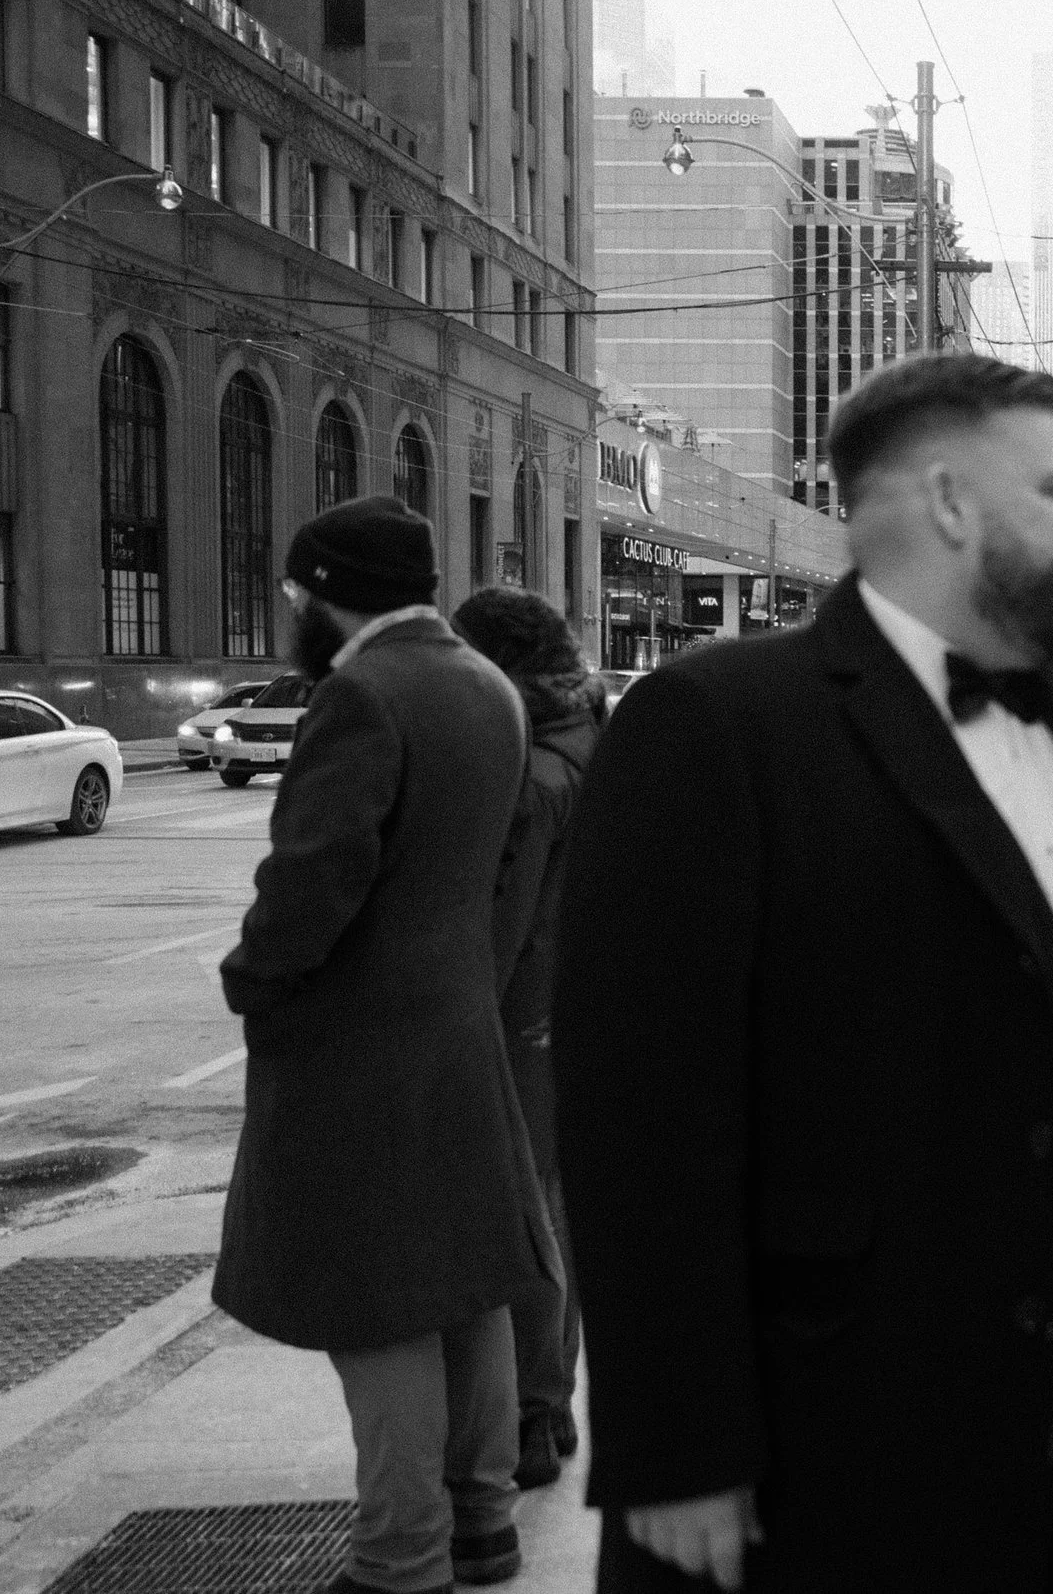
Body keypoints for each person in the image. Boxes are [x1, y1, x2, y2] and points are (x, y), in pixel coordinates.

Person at [551, 353, 1053, 1594]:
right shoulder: (711, 725)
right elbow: (638, 1116)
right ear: (950, 501)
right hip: (824, 1446)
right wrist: (676, 1442)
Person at [215, 496, 554, 1594]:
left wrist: (254, 978)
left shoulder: (363, 692)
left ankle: (398, 1555)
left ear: (327, 591)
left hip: (361, 1052)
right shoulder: (483, 684)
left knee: (379, 1302)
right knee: (466, 1284)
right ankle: (480, 1522)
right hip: (458, 1032)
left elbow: (313, 880)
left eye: (294, 593)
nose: (292, 612)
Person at [453, 585, 606, 1491]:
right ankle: (554, 1397)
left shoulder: (535, 776)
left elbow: (501, 933)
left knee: (530, 1216)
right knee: (561, 1215)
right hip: (582, 1014)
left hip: (529, 1021)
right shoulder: (592, 734)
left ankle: (535, 1411)